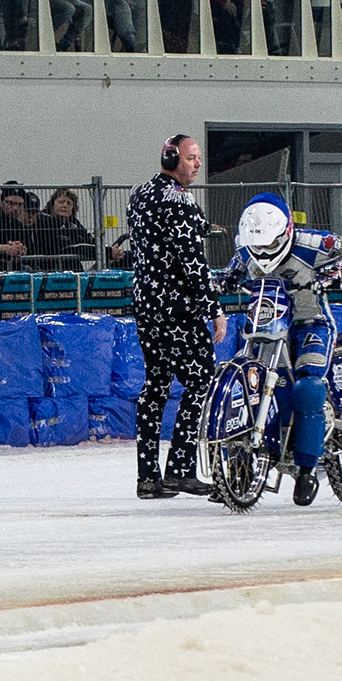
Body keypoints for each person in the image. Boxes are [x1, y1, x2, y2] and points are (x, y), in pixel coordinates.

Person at [219, 191, 342, 506]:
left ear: (286, 232)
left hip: (310, 324)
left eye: (270, 245)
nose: (262, 252)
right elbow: (232, 271)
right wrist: (221, 281)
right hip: (265, 327)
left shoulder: (313, 244)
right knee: (253, 382)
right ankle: (247, 464)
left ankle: (306, 469)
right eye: (256, 246)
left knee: (308, 387)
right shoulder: (246, 250)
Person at [126, 135, 226, 500]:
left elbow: (156, 240)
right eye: (191, 158)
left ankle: (148, 476)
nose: (197, 165)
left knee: (156, 385)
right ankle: (181, 468)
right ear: (171, 158)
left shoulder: (139, 194)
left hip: (146, 305)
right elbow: (192, 262)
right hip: (177, 307)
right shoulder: (181, 201)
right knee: (201, 380)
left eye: (198, 158)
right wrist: (213, 307)